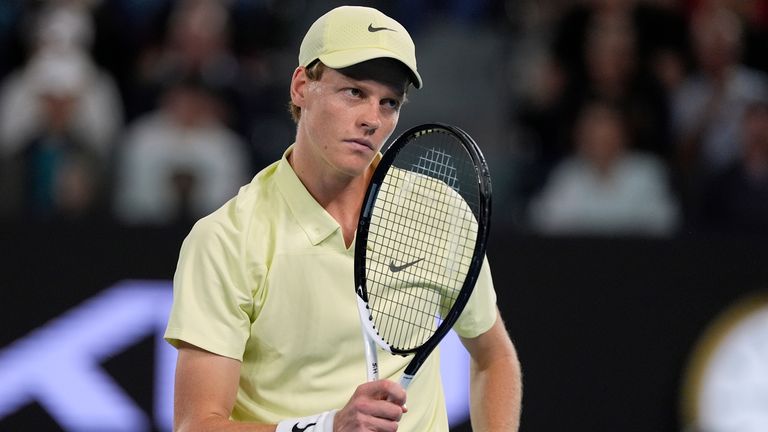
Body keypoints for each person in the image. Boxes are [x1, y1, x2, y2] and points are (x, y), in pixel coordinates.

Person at [163, 5, 522, 432]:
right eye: (353, 92)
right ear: (301, 87)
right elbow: (197, 424)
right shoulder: (225, 239)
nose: (372, 118)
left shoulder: (439, 211)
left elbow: (493, 357)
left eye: (389, 102)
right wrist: (327, 427)